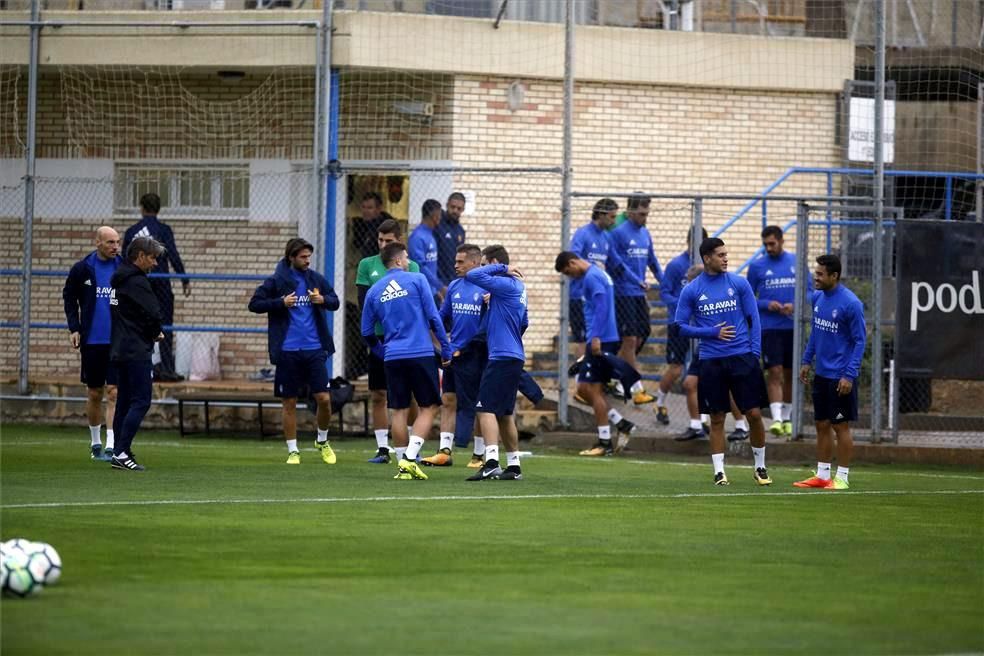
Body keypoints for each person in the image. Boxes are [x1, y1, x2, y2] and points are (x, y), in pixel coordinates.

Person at [674, 237, 771, 486]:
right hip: (711, 360)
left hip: (742, 357)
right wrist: (711, 333)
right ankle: (719, 472)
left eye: (726, 254)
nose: (725, 258)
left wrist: (755, 353)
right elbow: (680, 327)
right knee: (717, 417)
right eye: (720, 255)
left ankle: (760, 466)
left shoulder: (739, 283)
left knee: (754, 413)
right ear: (707, 258)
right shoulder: (692, 290)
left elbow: (754, 319)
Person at [361, 242, 451, 481]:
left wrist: (382, 352)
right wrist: (445, 349)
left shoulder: (374, 291)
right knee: (429, 406)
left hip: (393, 356)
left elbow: (367, 332)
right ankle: (410, 458)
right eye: (407, 257)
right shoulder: (418, 279)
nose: (409, 261)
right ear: (399, 261)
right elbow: (433, 317)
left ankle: (402, 465)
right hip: (420, 353)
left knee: (398, 410)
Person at [249, 238, 340, 465]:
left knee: (324, 399)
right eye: (303, 257)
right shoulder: (277, 281)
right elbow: (254, 304)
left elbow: (335, 301)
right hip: (288, 351)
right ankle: (293, 450)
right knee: (289, 402)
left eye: (309, 256)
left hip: (314, 349)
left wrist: (322, 299)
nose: (307, 260)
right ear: (291, 257)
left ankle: (322, 440)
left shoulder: (315, 279)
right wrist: (280, 302)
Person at [555, 251, 640, 457]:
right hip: (603, 338)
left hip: (601, 340)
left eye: (568, 271)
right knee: (584, 388)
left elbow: (601, 307)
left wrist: (594, 338)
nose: (570, 276)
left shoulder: (592, 277)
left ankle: (604, 442)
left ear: (573, 262)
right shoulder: (597, 273)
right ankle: (622, 424)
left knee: (592, 389)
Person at [796, 254, 866, 491]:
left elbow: (859, 341)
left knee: (840, 426)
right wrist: (807, 361)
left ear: (834, 276)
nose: (816, 277)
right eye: (816, 273)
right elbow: (816, 333)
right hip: (822, 374)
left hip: (840, 376)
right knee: (821, 424)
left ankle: (842, 478)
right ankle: (823, 475)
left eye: (820, 274)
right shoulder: (818, 298)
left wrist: (849, 375)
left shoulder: (851, 303)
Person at [355, 219, 422, 464]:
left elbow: (413, 302)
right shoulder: (367, 265)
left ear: (399, 241)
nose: (383, 244)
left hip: (405, 337)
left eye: (389, 241)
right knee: (378, 393)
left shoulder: (411, 266)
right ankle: (383, 449)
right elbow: (364, 303)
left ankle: (414, 446)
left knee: (411, 393)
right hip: (379, 337)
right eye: (380, 240)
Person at [464, 245, 529, 481]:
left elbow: (472, 276)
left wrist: (503, 268)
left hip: (501, 356)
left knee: (484, 408)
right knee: (504, 413)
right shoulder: (518, 288)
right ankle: (514, 465)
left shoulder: (504, 283)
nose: (481, 268)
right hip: (513, 355)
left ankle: (491, 462)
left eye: (484, 264)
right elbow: (524, 322)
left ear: (492, 262)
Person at [569, 198, 645, 395]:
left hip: (598, 298)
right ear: (601, 214)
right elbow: (572, 259)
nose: (613, 221)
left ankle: (595, 382)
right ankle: (580, 386)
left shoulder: (606, 238)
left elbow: (617, 263)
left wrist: (637, 279)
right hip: (580, 296)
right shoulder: (583, 234)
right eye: (611, 216)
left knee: (597, 340)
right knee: (582, 340)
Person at [421, 244, 484, 467]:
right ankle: (444, 451)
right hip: (453, 353)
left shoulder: (487, 288)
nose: (455, 265)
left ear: (475, 263)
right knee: (448, 399)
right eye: (455, 261)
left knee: (478, 404)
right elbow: (441, 317)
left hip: (476, 355)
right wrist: (440, 341)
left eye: (460, 262)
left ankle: (479, 454)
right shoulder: (455, 286)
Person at [63, 226, 123, 462]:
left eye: (117, 242)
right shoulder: (82, 269)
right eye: (110, 242)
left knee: (114, 392)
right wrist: (74, 328)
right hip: (92, 341)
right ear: (97, 242)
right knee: (95, 392)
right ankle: (95, 443)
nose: (115, 247)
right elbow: (69, 297)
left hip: (117, 341)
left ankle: (112, 444)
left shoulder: (123, 268)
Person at [108, 236, 166, 472]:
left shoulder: (119, 278)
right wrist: (155, 333)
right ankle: (121, 452)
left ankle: (120, 450)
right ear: (140, 256)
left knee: (123, 402)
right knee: (141, 401)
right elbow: (153, 314)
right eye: (152, 258)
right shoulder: (138, 283)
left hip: (120, 348)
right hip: (135, 349)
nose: (154, 263)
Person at [122, 192, 189, 383]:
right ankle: (167, 369)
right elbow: (173, 255)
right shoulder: (164, 230)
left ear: (141, 208)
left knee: (137, 325)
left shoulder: (132, 231)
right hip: (160, 285)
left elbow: (124, 261)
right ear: (158, 209)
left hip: (138, 285)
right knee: (165, 325)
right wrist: (184, 279)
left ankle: (139, 367)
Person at [747, 225, 805, 438]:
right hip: (770, 327)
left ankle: (788, 417)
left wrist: (794, 304)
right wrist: (765, 304)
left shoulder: (796, 263)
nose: (769, 248)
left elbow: (809, 292)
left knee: (790, 374)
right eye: (765, 245)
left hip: (792, 326)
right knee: (775, 371)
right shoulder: (757, 266)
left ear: (782, 241)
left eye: (772, 243)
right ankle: (777, 419)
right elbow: (748, 296)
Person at [609, 193, 663, 404]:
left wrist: (664, 281)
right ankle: (636, 387)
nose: (645, 217)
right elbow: (616, 264)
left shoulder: (645, 234)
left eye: (647, 213)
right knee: (630, 339)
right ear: (630, 212)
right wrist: (635, 280)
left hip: (638, 293)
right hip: (623, 293)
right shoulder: (619, 234)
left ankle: (617, 376)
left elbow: (653, 261)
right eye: (641, 213)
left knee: (642, 335)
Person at [655, 228, 707, 428]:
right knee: (676, 369)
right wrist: (683, 304)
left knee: (701, 373)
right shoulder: (676, 265)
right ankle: (659, 403)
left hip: (702, 327)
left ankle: (701, 419)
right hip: (680, 324)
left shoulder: (708, 267)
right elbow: (665, 293)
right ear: (688, 241)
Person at [408, 198, 446, 301]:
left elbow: (431, 267)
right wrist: (440, 287)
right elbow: (421, 267)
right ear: (435, 216)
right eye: (440, 214)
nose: (441, 217)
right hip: (420, 292)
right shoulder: (417, 237)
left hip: (431, 291)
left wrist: (435, 289)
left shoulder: (429, 234)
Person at [436, 192, 466, 287]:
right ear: (447, 205)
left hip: (453, 279)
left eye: (459, 208)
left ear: (463, 210)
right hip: (437, 278)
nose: (455, 211)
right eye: (452, 207)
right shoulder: (437, 225)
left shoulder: (461, 231)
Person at [354, 191, 396, 259]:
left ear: (378, 209)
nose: (365, 211)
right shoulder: (360, 225)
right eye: (363, 207)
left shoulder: (387, 226)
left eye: (369, 208)